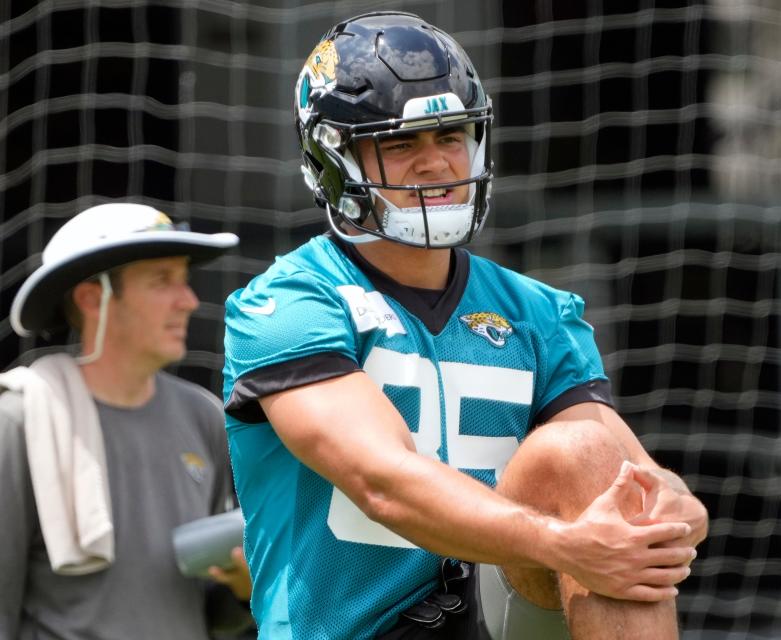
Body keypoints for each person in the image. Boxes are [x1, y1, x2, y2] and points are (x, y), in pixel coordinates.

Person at [222, 11, 708, 640]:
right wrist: (570, 544)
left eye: (450, 136)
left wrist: (676, 512)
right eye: (401, 143)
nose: (437, 164)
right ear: (332, 158)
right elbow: (382, 482)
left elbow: (631, 471)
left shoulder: (536, 309)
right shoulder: (287, 302)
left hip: (490, 621)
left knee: (594, 464)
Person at [0, 203, 253, 639]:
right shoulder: (19, 419)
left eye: (185, 280)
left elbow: (214, 615)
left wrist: (245, 589)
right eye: (162, 281)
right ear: (92, 298)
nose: (189, 301)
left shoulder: (203, 414)